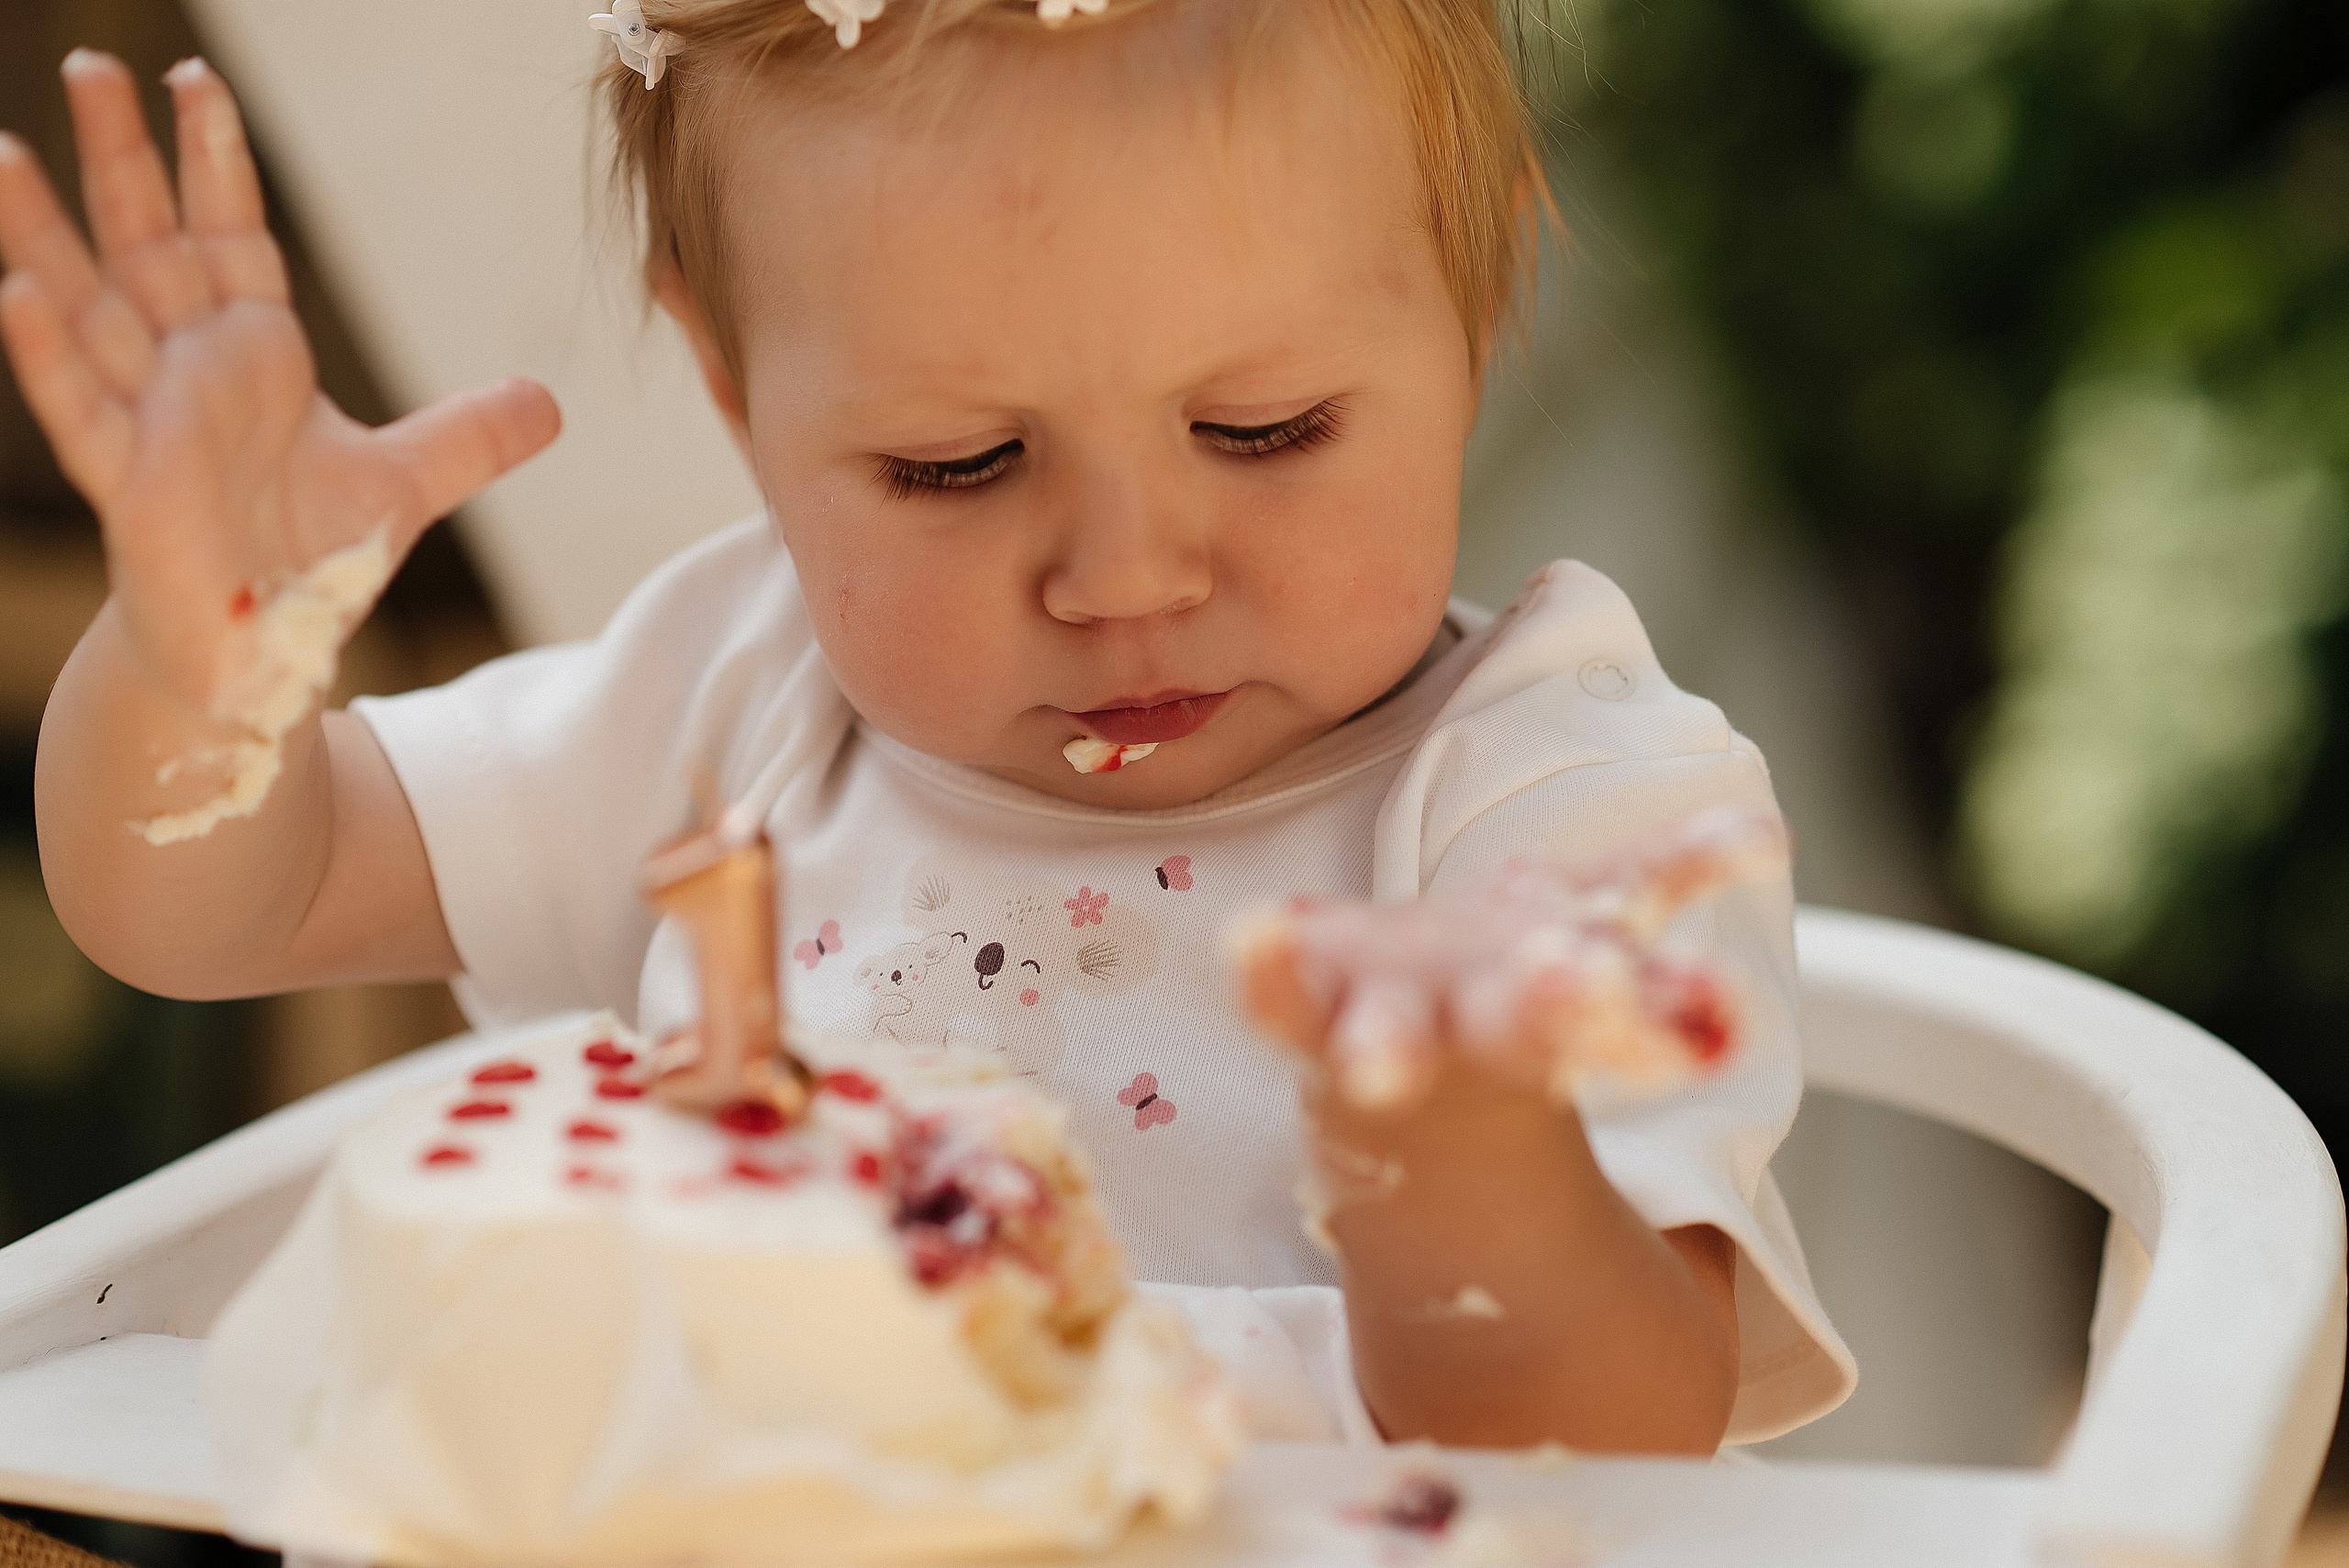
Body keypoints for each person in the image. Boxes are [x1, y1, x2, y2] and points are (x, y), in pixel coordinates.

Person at [0, 0, 1854, 1456]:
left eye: (1263, 427)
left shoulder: (1557, 823)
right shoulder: (735, 694)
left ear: (1480, 301)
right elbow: (222, 900)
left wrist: (1451, 1150)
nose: (1122, 577)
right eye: (949, 467)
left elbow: (1597, 1441)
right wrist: (210, 667)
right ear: (736, 394)